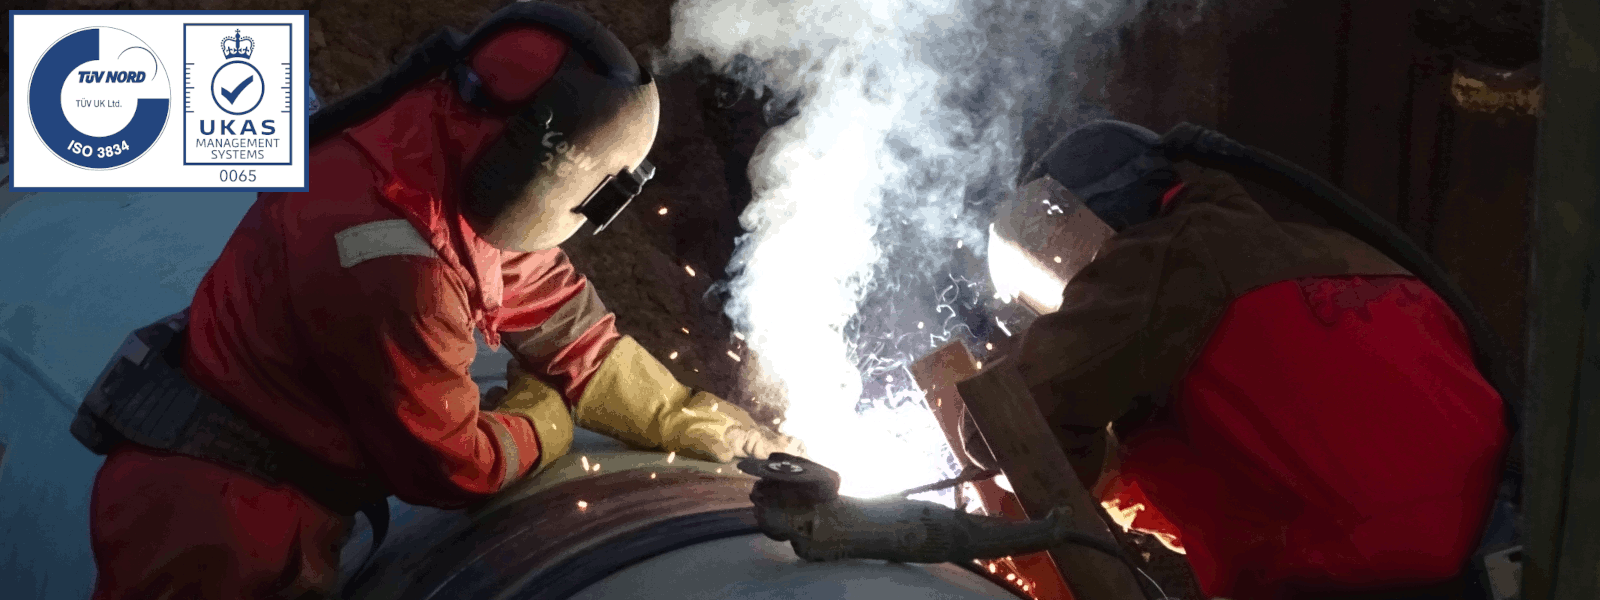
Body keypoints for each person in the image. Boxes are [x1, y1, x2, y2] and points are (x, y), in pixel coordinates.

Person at [80, 7, 800, 599]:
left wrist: (693, 421)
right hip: (217, 531)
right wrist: (541, 423)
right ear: (540, 165)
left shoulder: (448, 147)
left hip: (264, 491)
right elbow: (450, 467)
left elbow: (559, 316)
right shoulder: (392, 264)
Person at [984, 120, 1509, 599]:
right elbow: (1279, 459)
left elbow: (1018, 418)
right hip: (1507, 561)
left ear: (1088, 224)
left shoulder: (1165, 260)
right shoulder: (1348, 254)